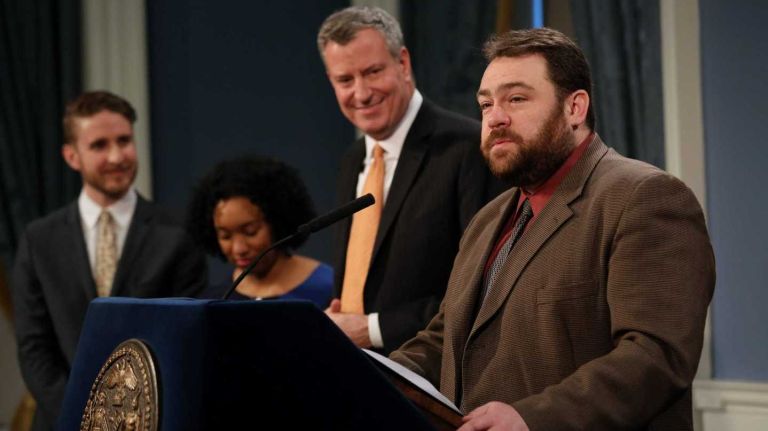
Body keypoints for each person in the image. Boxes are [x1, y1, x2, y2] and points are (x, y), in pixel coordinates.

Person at [390, 28, 716, 431]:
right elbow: (447, 338)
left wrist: (532, 418)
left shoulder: (645, 197)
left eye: (516, 99)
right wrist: (372, 373)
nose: (495, 118)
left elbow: (656, 355)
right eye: (486, 104)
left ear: (575, 107)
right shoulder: (487, 220)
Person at [11, 91, 208, 431]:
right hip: (63, 421)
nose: (117, 156)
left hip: (155, 421)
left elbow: (185, 339)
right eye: (99, 145)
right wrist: (80, 417)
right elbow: (34, 347)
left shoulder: (178, 233)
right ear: (71, 156)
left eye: (124, 140)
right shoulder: (38, 239)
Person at [317, 6, 502, 353]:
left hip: (433, 380)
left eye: (372, 72)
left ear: (402, 63)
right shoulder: (353, 161)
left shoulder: (468, 149)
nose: (361, 93)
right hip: (359, 374)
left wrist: (372, 329)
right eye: (345, 80)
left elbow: (486, 287)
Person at [188, 156, 333, 308]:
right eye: (225, 236)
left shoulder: (329, 288)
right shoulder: (215, 300)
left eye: (250, 232)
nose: (239, 248)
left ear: (278, 222)